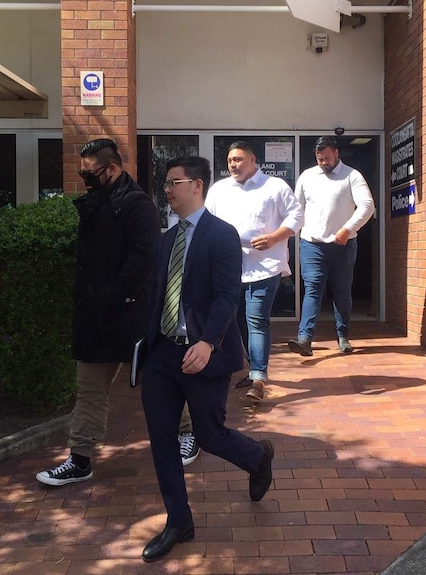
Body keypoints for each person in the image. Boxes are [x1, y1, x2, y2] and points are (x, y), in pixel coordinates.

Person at [139, 156, 274, 563]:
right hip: (163, 354)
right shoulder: (166, 240)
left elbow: (227, 296)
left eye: (174, 182)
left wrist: (209, 342)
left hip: (204, 355)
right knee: (162, 439)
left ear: (196, 185)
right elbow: (159, 296)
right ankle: (179, 521)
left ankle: (257, 456)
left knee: (210, 434)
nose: (167, 190)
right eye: (166, 183)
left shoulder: (221, 235)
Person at [36, 138, 168, 486]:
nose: (85, 180)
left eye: (90, 174)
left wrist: (112, 299)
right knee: (90, 389)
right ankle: (80, 459)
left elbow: (142, 262)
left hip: (130, 315)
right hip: (94, 316)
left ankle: (186, 433)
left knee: (157, 383)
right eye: (82, 174)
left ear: (113, 168)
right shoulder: (96, 202)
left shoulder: (137, 205)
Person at [205, 141, 303, 403]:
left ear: (252, 160)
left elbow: (296, 217)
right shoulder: (219, 190)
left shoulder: (274, 186)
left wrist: (274, 238)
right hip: (229, 269)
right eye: (229, 161)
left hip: (265, 266)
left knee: (256, 320)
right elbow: (208, 223)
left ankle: (258, 378)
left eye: (238, 159)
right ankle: (253, 367)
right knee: (238, 322)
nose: (233, 165)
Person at [288, 136, 375, 357]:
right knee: (313, 288)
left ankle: (343, 335)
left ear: (337, 153)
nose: (324, 162)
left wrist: (348, 228)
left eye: (327, 158)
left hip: (343, 244)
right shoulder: (307, 177)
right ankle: (305, 338)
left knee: (342, 291)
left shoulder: (352, 176)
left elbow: (367, 205)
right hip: (312, 244)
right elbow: (297, 209)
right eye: (320, 159)